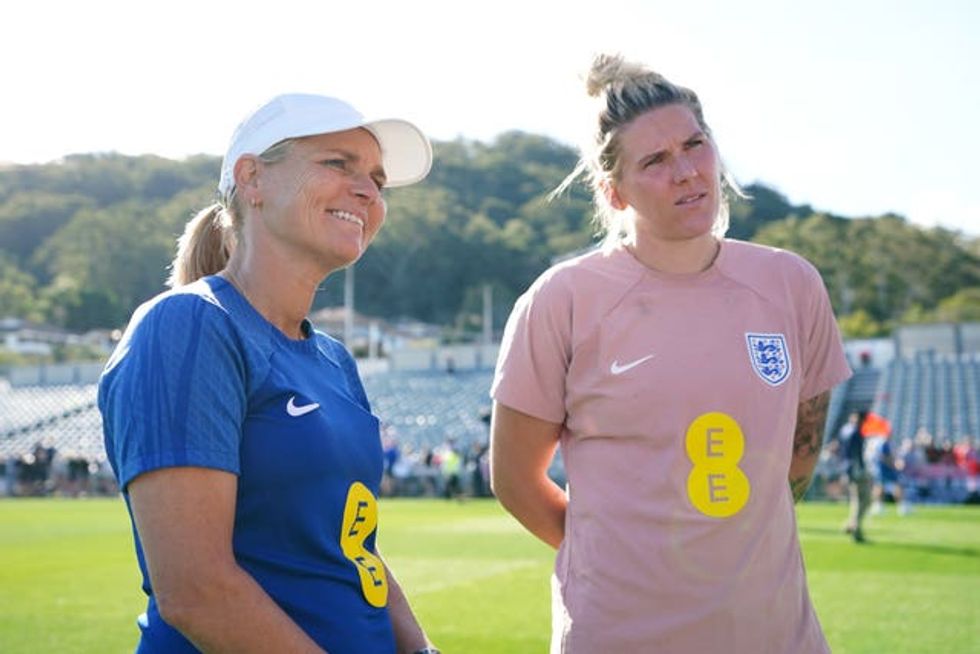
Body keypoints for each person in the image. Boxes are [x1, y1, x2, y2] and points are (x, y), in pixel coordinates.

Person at [489, 54, 852, 653]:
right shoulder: (562, 300)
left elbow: (798, 454)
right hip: (617, 634)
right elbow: (514, 479)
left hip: (773, 633)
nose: (685, 172)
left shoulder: (791, 284)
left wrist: (734, 548)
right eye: (655, 161)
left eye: (694, 145)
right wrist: (611, 558)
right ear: (613, 191)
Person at [99, 93, 440, 654]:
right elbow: (196, 591)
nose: (368, 191)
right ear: (252, 178)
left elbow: (352, 550)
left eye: (378, 180)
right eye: (338, 163)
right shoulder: (190, 325)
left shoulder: (333, 359)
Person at [839, 411, 871, 541]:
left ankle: (851, 525)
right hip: (856, 470)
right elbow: (857, 454)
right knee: (865, 500)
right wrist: (861, 470)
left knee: (856, 500)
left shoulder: (844, 431)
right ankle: (856, 528)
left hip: (847, 468)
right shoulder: (857, 433)